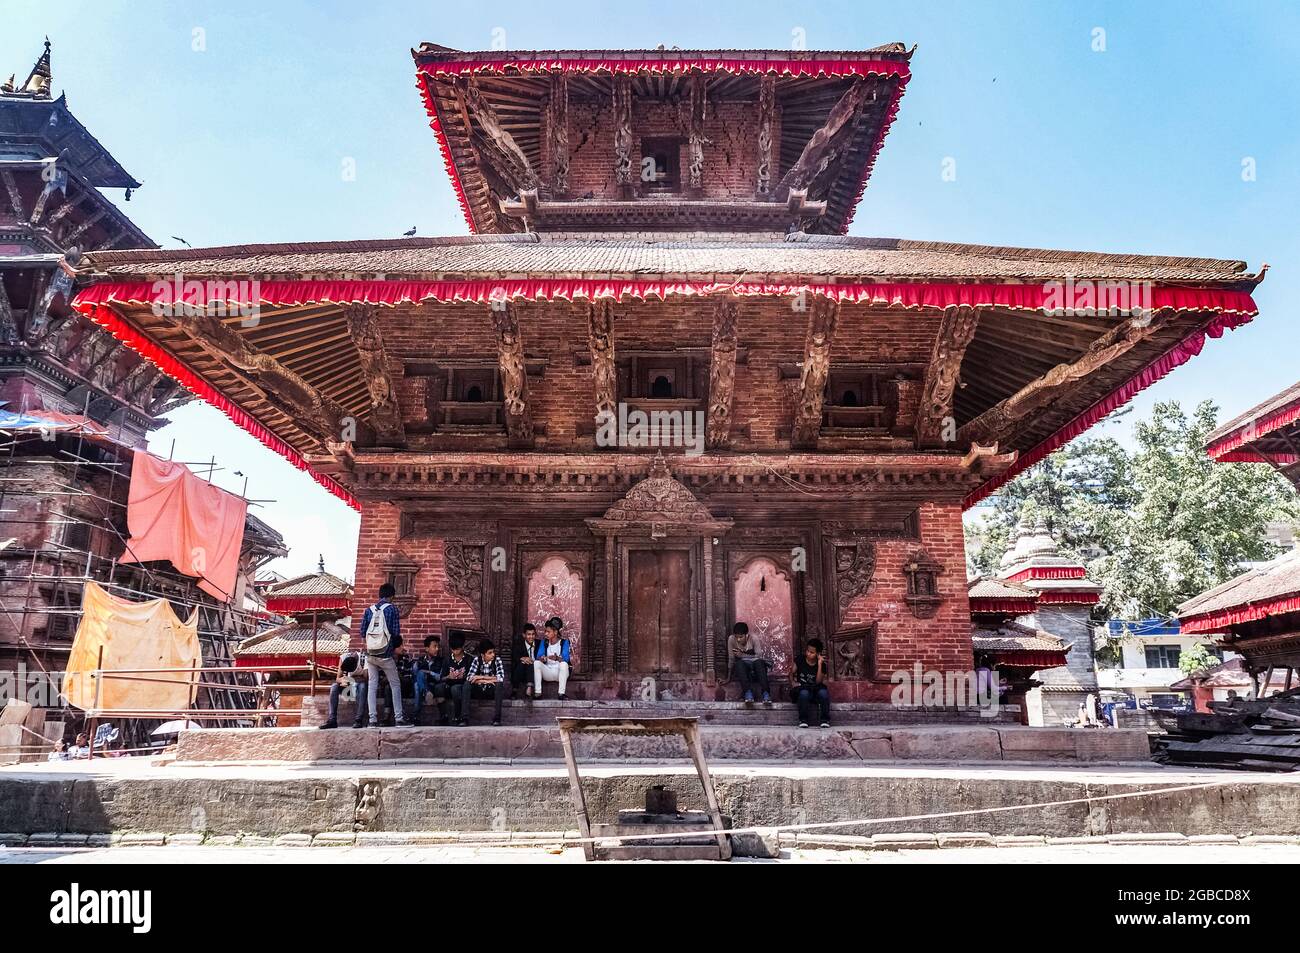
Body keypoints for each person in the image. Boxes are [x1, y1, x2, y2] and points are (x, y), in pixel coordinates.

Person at [360, 583, 413, 728]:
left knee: (372, 685)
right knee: (395, 684)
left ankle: (372, 720)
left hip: (371, 654)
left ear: (379, 594)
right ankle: (399, 718)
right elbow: (395, 633)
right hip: (385, 654)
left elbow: (362, 632)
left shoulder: (368, 610)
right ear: (392, 596)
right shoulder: (392, 609)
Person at [319, 650, 368, 729]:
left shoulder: (364, 659)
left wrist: (353, 680)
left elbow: (366, 679)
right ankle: (332, 720)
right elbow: (338, 678)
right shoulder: (343, 657)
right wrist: (346, 680)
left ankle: (359, 719)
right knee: (334, 687)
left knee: (362, 686)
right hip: (349, 684)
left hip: (360, 685)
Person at [727, 622, 771, 705]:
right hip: (743, 668)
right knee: (739, 664)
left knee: (759, 662)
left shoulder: (754, 638)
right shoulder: (731, 639)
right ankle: (748, 693)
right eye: (736, 637)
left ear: (746, 635)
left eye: (741, 637)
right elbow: (731, 658)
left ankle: (766, 693)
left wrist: (742, 655)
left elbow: (759, 656)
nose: (738, 639)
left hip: (756, 667)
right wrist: (728, 677)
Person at [791, 639, 830, 729]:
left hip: (815, 689)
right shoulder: (800, 659)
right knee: (804, 693)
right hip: (802, 689)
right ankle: (803, 720)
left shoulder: (822, 665)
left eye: (812, 652)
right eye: (807, 651)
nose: (808, 653)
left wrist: (820, 664)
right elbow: (791, 673)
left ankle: (825, 720)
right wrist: (793, 682)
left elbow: (818, 682)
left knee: (824, 693)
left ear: (817, 654)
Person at [465, 640, 506, 726]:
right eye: (490, 653)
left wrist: (481, 677)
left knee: (499, 685)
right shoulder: (477, 660)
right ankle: (464, 718)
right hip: (479, 690)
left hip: (491, 691)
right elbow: (469, 677)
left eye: (493, 652)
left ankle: (497, 719)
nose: (493, 655)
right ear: (483, 655)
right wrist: (489, 680)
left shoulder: (497, 660)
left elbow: (500, 678)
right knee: (467, 684)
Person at [412, 635, 449, 725]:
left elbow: (439, 677)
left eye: (438, 646)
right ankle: (426, 692)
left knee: (419, 681)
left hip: (434, 685)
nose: (437, 649)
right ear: (427, 649)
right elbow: (415, 676)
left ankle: (416, 715)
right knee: (417, 683)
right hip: (424, 686)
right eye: (434, 646)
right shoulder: (420, 661)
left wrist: (428, 672)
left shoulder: (441, 661)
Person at [534, 616, 571, 700]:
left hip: (560, 674)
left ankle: (561, 694)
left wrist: (557, 658)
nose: (545, 633)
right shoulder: (544, 642)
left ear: (555, 632)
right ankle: (538, 692)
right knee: (536, 663)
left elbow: (566, 659)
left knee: (564, 664)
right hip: (548, 672)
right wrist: (542, 658)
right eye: (545, 631)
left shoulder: (564, 642)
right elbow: (538, 657)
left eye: (548, 632)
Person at [444, 635, 472, 725]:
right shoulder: (447, 660)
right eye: (453, 649)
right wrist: (449, 676)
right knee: (442, 688)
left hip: (463, 686)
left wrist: (463, 677)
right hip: (449, 685)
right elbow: (441, 677)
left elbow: (472, 676)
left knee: (455, 689)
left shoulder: (469, 659)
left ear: (462, 647)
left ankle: (458, 716)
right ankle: (445, 716)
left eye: (458, 649)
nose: (455, 652)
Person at [511, 623, 540, 699]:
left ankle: (528, 688)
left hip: (537, 671)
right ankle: (516, 690)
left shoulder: (539, 644)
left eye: (533, 634)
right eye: (528, 634)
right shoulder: (519, 645)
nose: (531, 637)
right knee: (523, 662)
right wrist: (522, 658)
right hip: (523, 671)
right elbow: (515, 657)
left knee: (530, 662)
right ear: (524, 635)